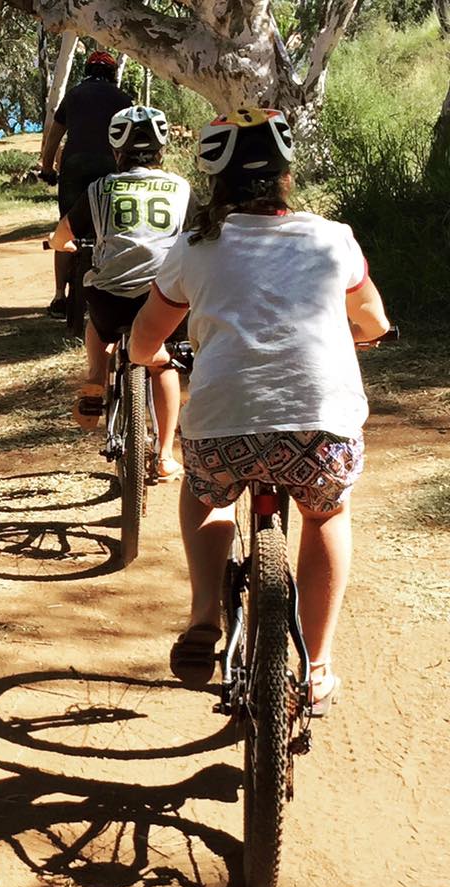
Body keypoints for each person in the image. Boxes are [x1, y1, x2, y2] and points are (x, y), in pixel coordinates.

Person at [128, 107, 390, 714]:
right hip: (320, 431)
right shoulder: (334, 239)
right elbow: (372, 320)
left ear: (214, 180)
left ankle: (201, 620)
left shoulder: (195, 250)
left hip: (224, 430)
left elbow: (146, 339)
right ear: (285, 175)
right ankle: (318, 668)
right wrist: (370, 337)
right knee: (325, 515)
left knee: (206, 494)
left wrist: (155, 356)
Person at [49, 105, 194, 479]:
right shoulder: (181, 189)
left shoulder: (100, 190)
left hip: (112, 300)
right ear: (161, 150)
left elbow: (64, 236)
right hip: (164, 297)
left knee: (96, 319)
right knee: (163, 362)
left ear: (116, 151)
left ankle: (96, 376)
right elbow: (201, 233)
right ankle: (163, 455)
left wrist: (61, 244)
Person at [40, 50, 134, 318]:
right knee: (111, 228)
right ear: (112, 74)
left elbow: (54, 136)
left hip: (75, 165)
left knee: (66, 226)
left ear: (87, 71)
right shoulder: (123, 99)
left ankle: (59, 296)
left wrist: (47, 169)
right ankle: (113, 286)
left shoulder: (75, 95)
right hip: (109, 165)